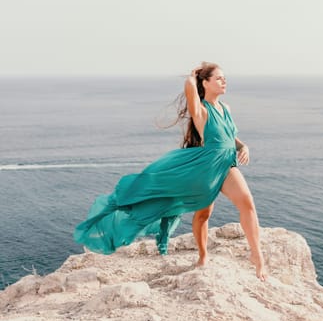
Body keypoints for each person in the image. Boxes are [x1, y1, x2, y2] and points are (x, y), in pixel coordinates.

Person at [74, 62, 268, 281]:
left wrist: (244, 147)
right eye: (219, 78)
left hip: (226, 164)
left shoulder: (226, 108)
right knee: (204, 214)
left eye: (225, 78)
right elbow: (190, 91)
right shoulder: (202, 111)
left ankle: (257, 255)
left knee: (247, 202)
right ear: (205, 83)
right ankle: (203, 256)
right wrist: (193, 76)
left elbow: (228, 136)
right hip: (204, 170)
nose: (224, 81)